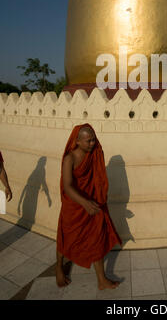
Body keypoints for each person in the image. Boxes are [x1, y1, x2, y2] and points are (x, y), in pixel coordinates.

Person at [56, 123, 122, 290]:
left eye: (93, 140)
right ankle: (58, 269)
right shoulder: (69, 159)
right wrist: (84, 203)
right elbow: (68, 186)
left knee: (96, 239)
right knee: (67, 239)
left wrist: (93, 200)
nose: (93, 143)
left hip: (91, 203)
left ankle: (102, 279)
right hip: (74, 206)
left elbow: (98, 179)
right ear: (77, 141)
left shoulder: (94, 155)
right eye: (88, 141)